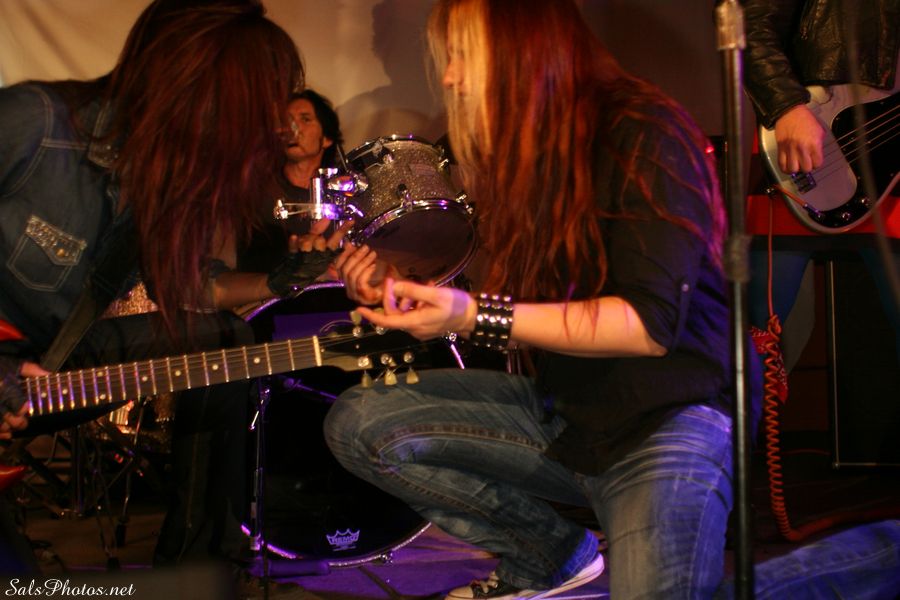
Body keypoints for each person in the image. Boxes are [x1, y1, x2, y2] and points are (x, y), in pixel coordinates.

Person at [327, 0, 742, 597]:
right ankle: (549, 555)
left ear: (523, 49)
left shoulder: (643, 129)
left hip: (671, 421)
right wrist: (401, 282)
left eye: (462, 56)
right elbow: (502, 290)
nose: (450, 77)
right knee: (361, 422)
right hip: (571, 415)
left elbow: (647, 327)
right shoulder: (524, 148)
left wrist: (474, 317)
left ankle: (874, 553)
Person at [0, 0, 343, 579]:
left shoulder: (157, 181)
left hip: (44, 372)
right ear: (195, 83)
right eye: (257, 106)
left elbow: (192, 288)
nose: (272, 129)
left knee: (225, 340)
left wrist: (276, 282)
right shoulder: (35, 123)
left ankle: (197, 570)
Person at [742, 0, 900, 374]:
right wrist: (785, 106)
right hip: (814, 136)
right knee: (757, 338)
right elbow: (748, 23)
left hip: (891, 149)